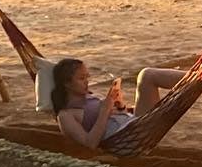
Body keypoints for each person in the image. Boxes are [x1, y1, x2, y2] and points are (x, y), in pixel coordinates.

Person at [51, 56, 186, 151]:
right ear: (66, 83)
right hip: (130, 139)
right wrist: (105, 111)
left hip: (134, 124)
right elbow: (90, 143)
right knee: (147, 75)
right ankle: (198, 75)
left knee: (147, 76)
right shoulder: (65, 116)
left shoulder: (89, 96)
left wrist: (121, 106)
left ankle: (198, 76)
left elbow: (117, 115)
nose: (87, 81)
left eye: (87, 77)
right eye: (81, 78)